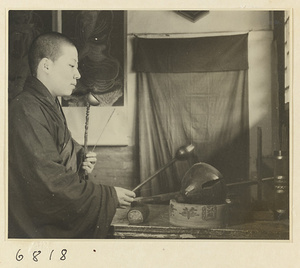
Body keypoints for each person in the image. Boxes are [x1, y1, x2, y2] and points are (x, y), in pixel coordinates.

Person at [8, 32, 136, 238]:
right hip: (32, 232)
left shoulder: (49, 105)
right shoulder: (25, 109)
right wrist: (109, 196)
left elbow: (58, 153)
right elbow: (49, 183)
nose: (78, 74)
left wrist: (79, 159)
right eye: (71, 65)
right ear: (46, 66)